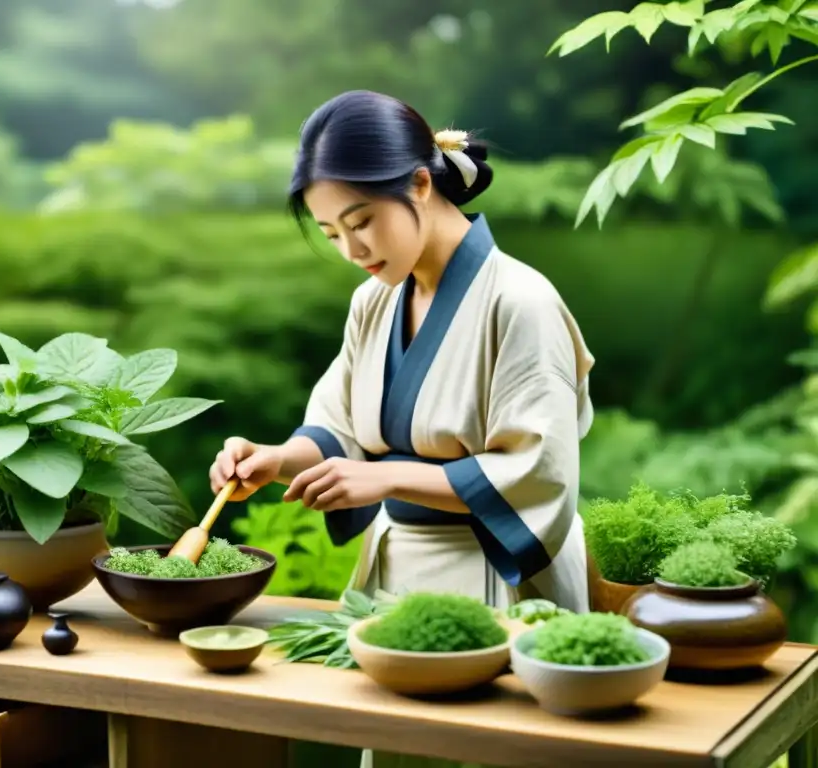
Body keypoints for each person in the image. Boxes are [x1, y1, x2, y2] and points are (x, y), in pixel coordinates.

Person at [208, 90, 595, 767]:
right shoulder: (373, 300)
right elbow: (338, 423)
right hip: (398, 576)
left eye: (362, 222)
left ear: (420, 183)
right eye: (332, 234)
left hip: (498, 578)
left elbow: (541, 471)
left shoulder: (521, 301)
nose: (352, 250)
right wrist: (277, 458)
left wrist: (386, 475)